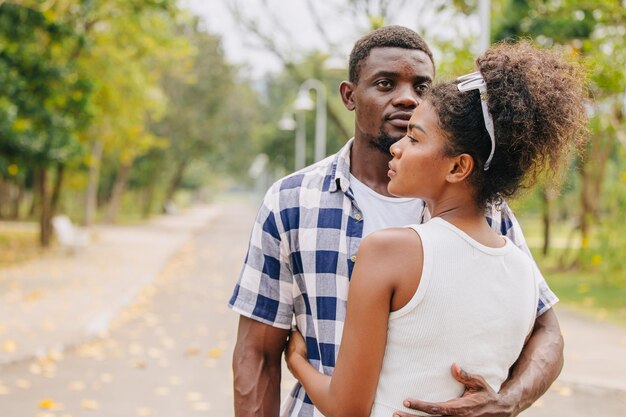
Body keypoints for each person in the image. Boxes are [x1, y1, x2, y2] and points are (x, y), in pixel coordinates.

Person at [229, 26, 566, 417]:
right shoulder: (291, 202)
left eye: (422, 86)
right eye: (386, 83)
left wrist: (509, 400)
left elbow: (547, 330)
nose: (406, 97)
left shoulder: (491, 213)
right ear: (349, 96)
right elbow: (256, 353)